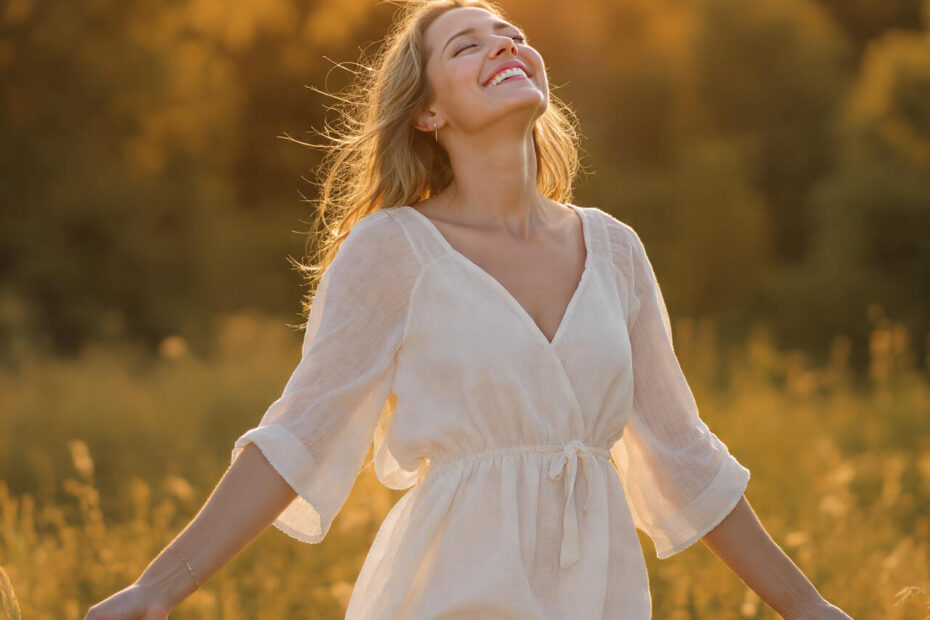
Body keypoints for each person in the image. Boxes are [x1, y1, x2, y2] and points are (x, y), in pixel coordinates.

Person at [84, 1, 854, 618]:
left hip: (597, 597)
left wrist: (810, 606)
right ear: (427, 114)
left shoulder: (615, 250)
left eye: (513, 33)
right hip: (450, 588)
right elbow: (295, 437)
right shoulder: (393, 249)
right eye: (467, 45)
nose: (505, 44)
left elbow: (685, 459)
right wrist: (157, 589)